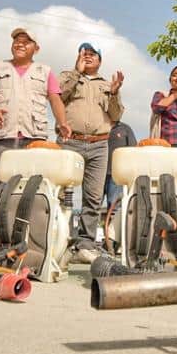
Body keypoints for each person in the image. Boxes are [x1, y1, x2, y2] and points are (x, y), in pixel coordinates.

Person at [0, 28, 70, 235]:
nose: (19, 44)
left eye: (26, 42)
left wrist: (62, 122)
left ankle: (24, 243)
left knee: (31, 194)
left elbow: (55, 99)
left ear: (36, 48)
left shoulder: (44, 71)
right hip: (1, 138)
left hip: (34, 141)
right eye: (16, 41)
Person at [59, 42, 124, 262]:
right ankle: (61, 240)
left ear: (100, 60)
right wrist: (76, 71)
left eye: (92, 54)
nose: (87, 57)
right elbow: (59, 96)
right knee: (61, 193)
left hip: (99, 144)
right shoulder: (67, 76)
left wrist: (114, 93)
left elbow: (115, 116)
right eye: (83, 53)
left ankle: (85, 244)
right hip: (70, 141)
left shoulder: (107, 84)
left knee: (93, 197)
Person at [103, 120, 137, 213]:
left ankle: (112, 227)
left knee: (114, 207)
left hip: (117, 176)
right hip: (97, 174)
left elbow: (133, 151)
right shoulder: (99, 128)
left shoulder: (125, 129)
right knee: (92, 205)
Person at [150, 66, 177, 147]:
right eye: (175, 75)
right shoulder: (162, 95)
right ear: (170, 79)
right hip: (168, 144)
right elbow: (156, 108)